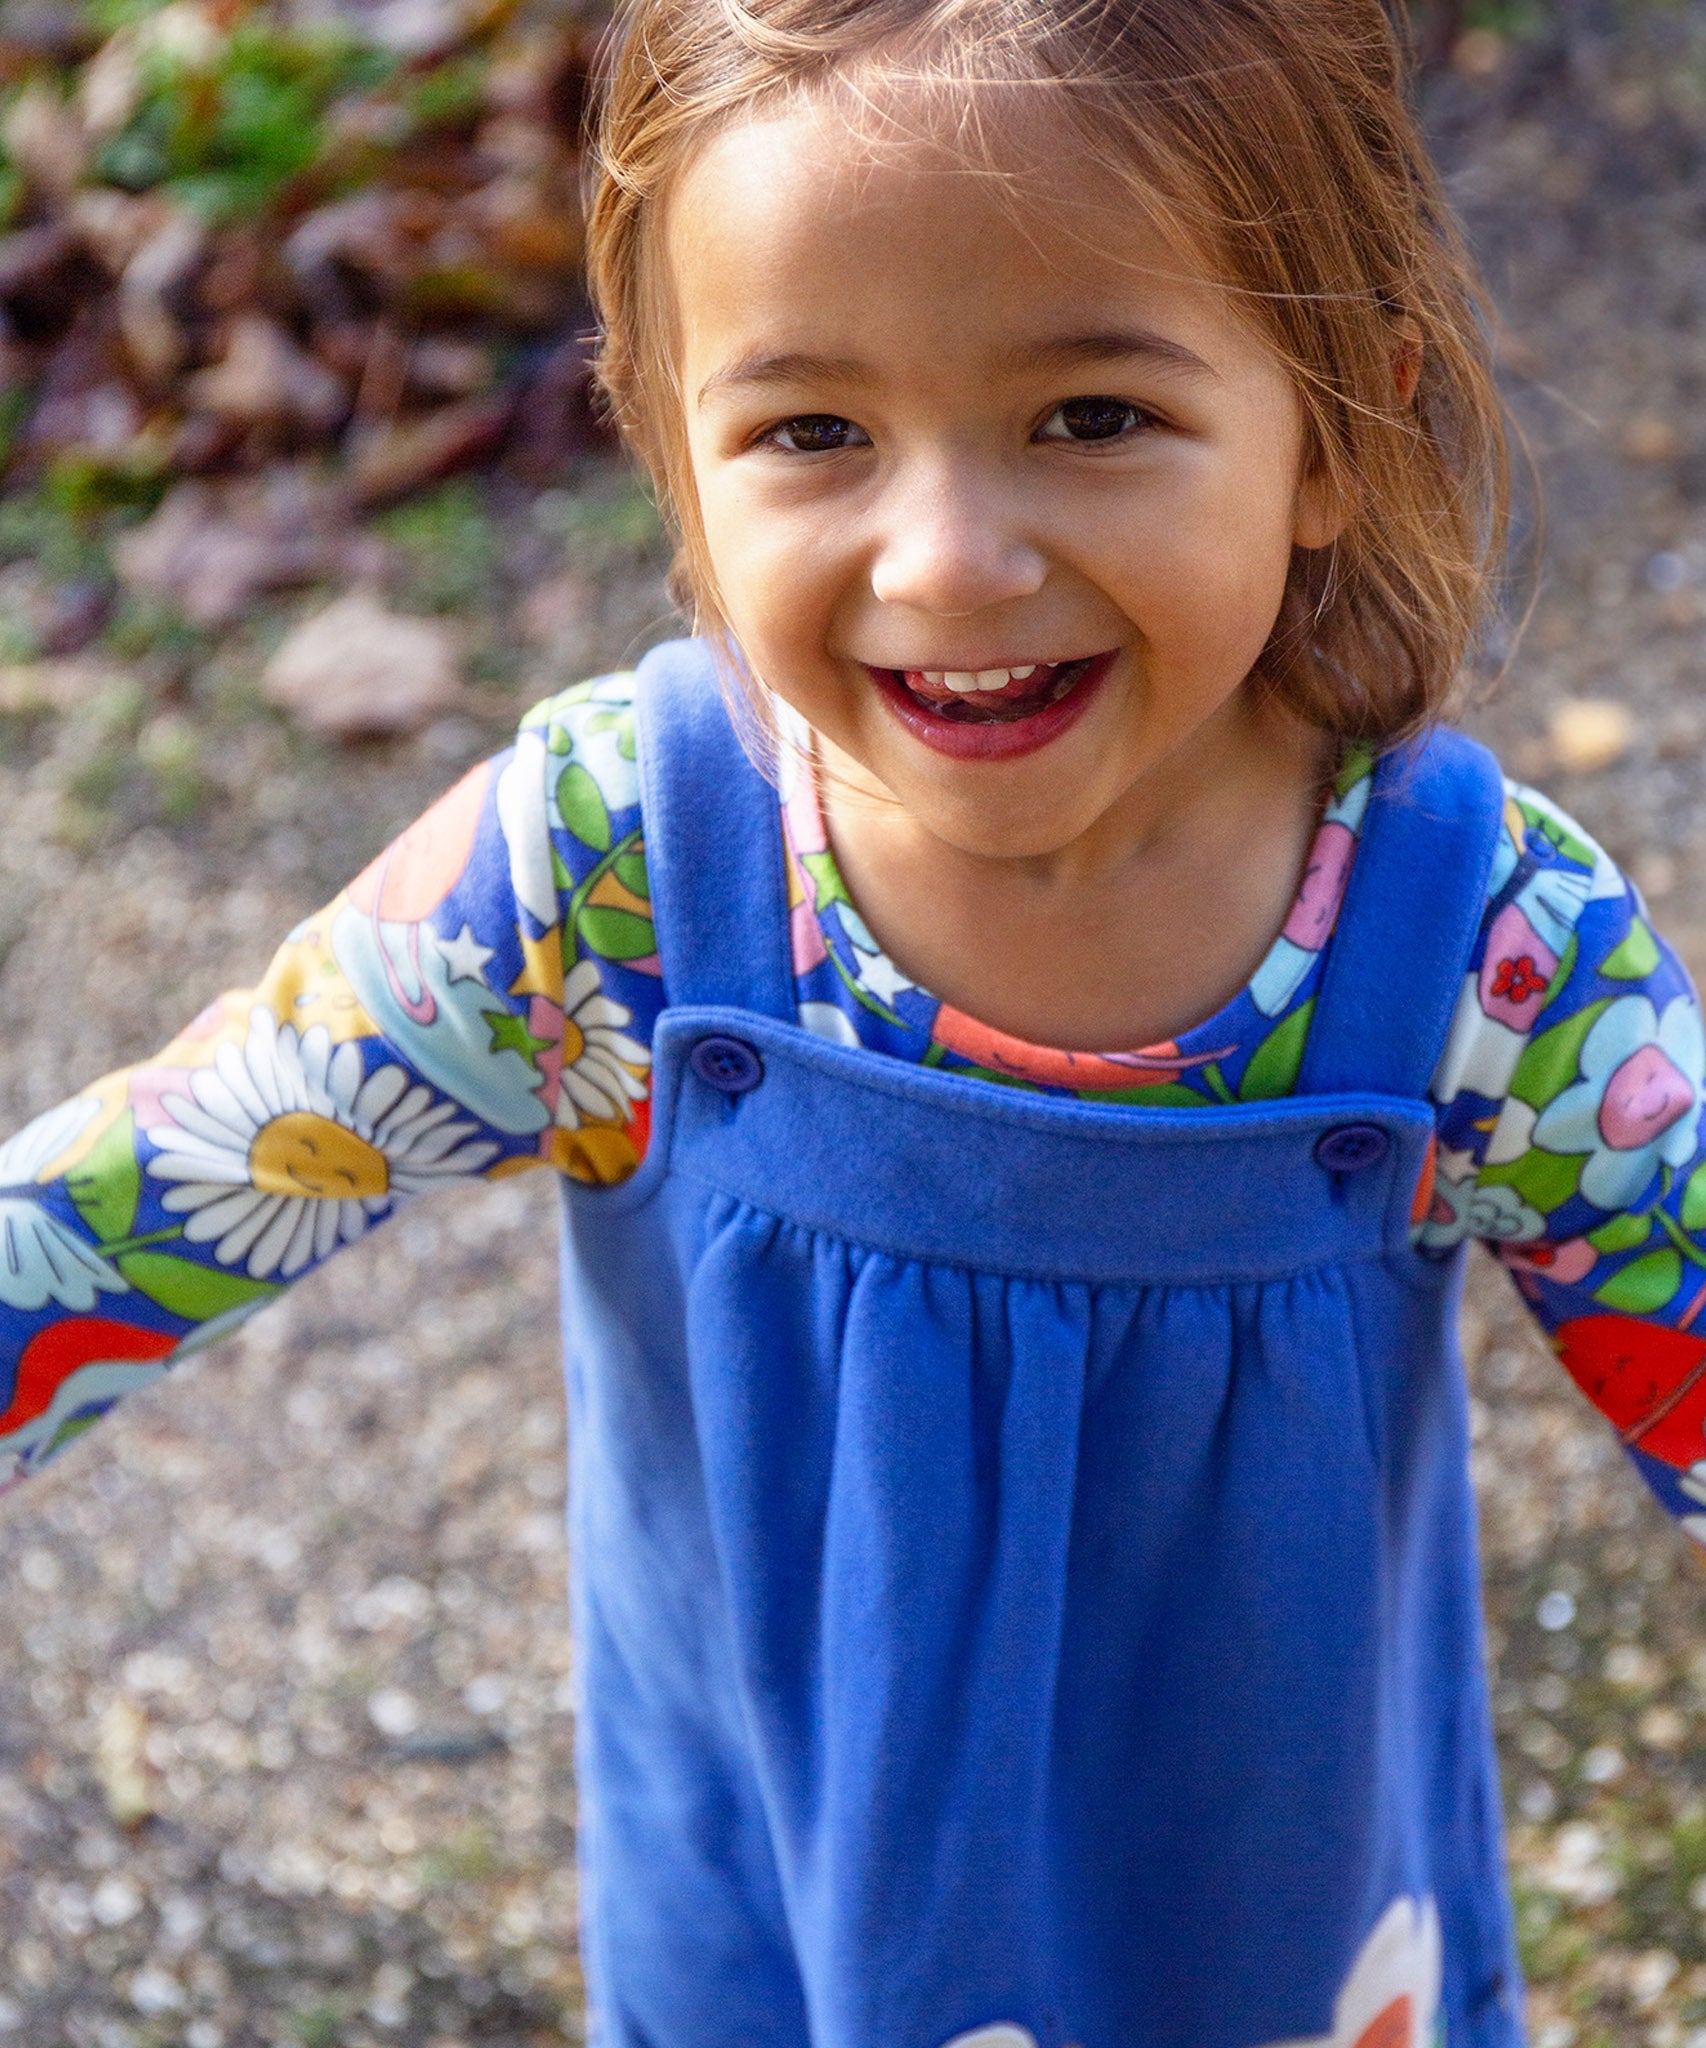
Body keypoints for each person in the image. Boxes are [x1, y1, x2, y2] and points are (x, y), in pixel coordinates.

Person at [0, 0, 1699, 2042]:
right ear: (671, 449)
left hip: (1279, 1954)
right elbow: (141, 1202)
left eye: (1090, 415)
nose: (948, 560)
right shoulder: (613, 870)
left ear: (1335, 423)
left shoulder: (1474, 951)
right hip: (774, 1948)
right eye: (811, 432)